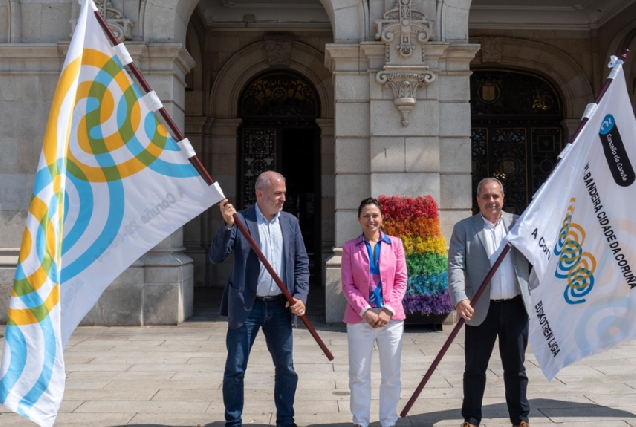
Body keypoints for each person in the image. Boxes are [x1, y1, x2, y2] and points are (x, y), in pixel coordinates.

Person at [210, 170, 309, 427]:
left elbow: (301, 262)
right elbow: (216, 256)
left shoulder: (290, 222)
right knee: (235, 368)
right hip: (246, 306)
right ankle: (233, 422)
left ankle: (286, 421)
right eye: (278, 193)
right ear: (260, 194)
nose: (283, 198)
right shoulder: (241, 220)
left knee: (286, 368)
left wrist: (300, 296)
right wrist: (228, 225)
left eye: (284, 193)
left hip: (279, 307)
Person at [448, 177, 532, 427]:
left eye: (495, 196)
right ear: (477, 200)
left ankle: (520, 419)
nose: (491, 201)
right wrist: (460, 298)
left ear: (503, 198)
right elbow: (455, 266)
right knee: (475, 367)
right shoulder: (464, 228)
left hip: (516, 307)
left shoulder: (518, 224)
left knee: (516, 368)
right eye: (485, 197)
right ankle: (471, 419)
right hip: (479, 308)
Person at [341, 197, 408, 427]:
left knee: (391, 375)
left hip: (391, 319)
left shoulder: (395, 244)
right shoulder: (350, 247)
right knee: (359, 375)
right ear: (359, 219)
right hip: (360, 320)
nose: (371, 219)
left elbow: (401, 280)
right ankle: (360, 420)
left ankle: (389, 420)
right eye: (366, 215)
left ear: (382, 218)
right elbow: (347, 285)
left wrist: (388, 310)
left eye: (375, 215)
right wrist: (365, 311)